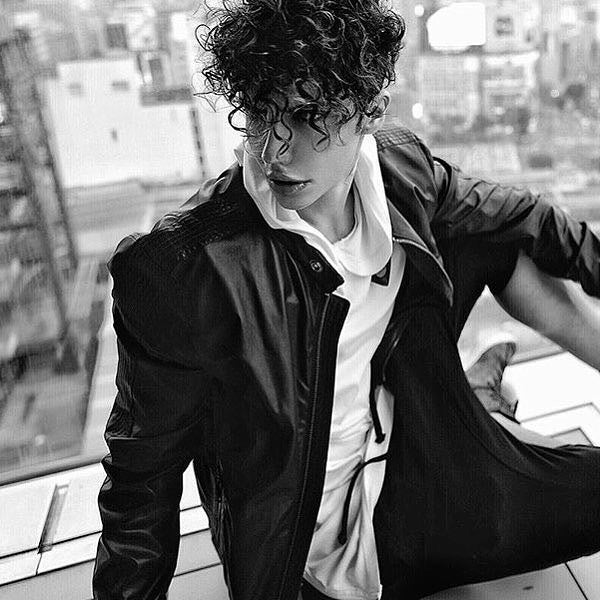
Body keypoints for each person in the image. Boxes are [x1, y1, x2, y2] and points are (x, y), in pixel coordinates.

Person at [92, 2, 600, 599]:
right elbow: (139, 485)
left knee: (493, 236)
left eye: (307, 115)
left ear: (369, 110)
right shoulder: (182, 269)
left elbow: (530, 218)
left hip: (415, 447)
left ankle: (477, 403)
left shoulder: (400, 169)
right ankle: (481, 404)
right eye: (258, 112)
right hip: (329, 548)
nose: (273, 150)